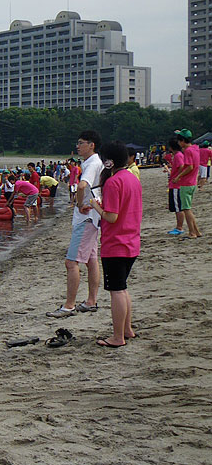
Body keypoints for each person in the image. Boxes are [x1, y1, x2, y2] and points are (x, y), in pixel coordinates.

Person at [89, 142, 142, 348]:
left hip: (116, 243)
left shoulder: (113, 182)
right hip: (131, 240)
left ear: (109, 161)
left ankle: (118, 337)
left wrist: (96, 206)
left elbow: (111, 217)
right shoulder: (131, 178)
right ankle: (127, 330)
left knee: (116, 290)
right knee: (123, 288)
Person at [47, 130, 103, 318]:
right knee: (91, 259)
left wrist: (79, 204)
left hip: (86, 218)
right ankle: (91, 301)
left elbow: (82, 185)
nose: (77, 146)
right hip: (93, 217)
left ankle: (69, 305)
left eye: (81, 143)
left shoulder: (92, 163)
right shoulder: (94, 162)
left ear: (91, 145)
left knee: (71, 262)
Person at [170, 130, 202, 238]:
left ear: (182, 141)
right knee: (188, 208)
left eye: (179, 141)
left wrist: (178, 177)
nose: (178, 144)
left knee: (186, 209)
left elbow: (190, 166)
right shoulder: (196, 148)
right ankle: (196, 231)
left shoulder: (188, 151)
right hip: (192, 183)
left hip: (186, 183)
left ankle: (192, 232)